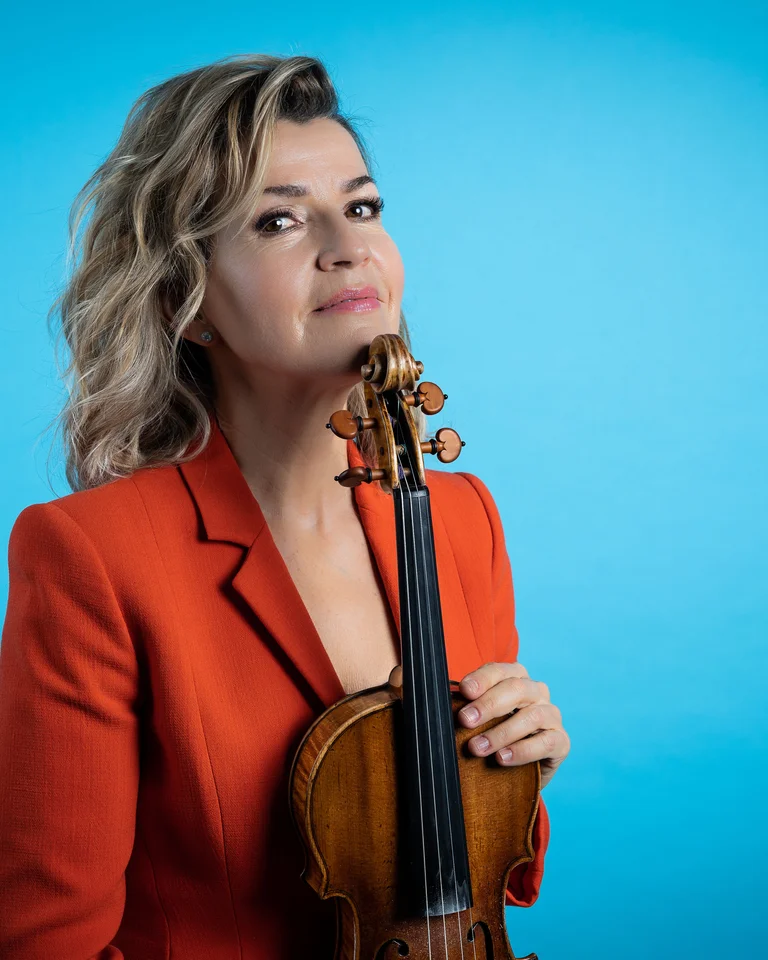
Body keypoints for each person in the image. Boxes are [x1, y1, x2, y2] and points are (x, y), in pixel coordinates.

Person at [0, 54, 570, 959]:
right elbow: (45, 942)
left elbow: (488, 888)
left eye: (363, 206)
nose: (347, 246)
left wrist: (520, 764)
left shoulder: (460, 515)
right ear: (190, 305)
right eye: (277, 220)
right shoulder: (91, 557)